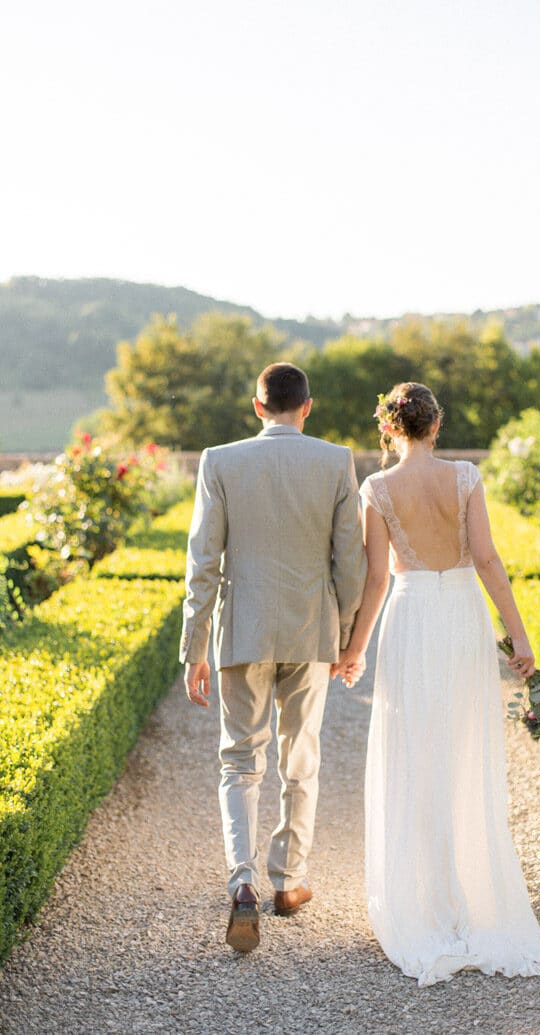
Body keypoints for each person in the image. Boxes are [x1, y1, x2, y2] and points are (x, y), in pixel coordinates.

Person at [334, 382, 540, 986]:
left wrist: (354, 650)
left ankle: (423, 899)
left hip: (408, 621)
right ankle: (470, 895)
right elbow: (487, 560)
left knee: (414, 755)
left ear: (389, 429)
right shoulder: (465, 480)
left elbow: (376, 579)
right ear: (437, 425)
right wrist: (520, 637)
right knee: (464, 752)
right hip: (460, 619)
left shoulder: (376, 488)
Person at [181, 362, 367, 953]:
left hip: (242, 631)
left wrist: (195, 646)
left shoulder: (219, 460)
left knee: (240, 759)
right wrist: (345, 637)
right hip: (310, 631)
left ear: (257, 407)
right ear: (307, 406)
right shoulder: (337, 460)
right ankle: (287, 882)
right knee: (300, 756)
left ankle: (243, 881)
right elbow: (352, 564)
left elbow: (202, 562)